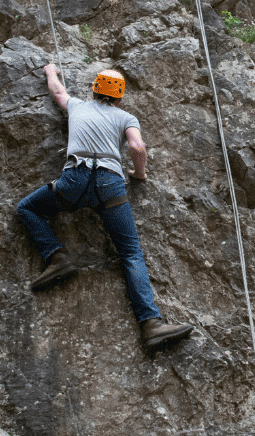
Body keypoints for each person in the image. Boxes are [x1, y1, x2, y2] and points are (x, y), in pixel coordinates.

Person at [16, 64, 191, 346]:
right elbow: (136, 147)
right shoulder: (126, 117)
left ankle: (57, 257)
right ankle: (150, 324)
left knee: (27, 208)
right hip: (110, 185)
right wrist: (140, 173)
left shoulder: (77, 106)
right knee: (131, 253)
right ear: (120, 97)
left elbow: (58, 92)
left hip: (74, 180)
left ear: (95, 90)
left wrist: (51, 71)